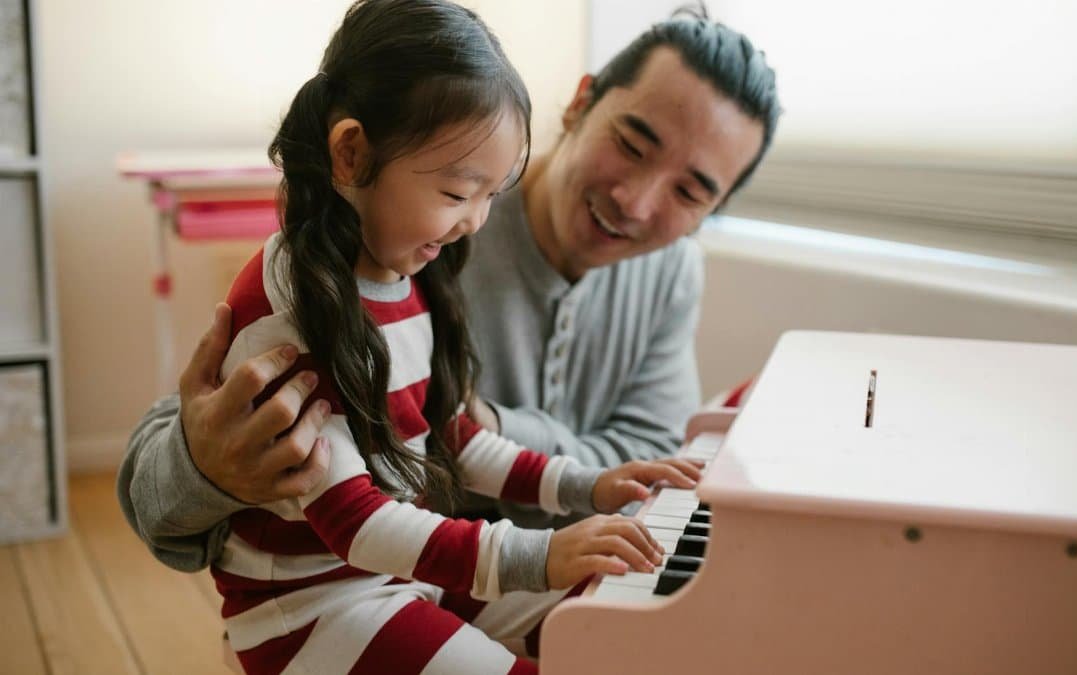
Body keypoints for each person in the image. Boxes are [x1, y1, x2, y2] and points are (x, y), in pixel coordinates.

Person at [119, 6, 779, 569]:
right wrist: (204, 465)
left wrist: (474, 426)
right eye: (632, 145)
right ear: (580, 103)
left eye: (691, 190)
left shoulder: (670, 274)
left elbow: (647, 459)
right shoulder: (415, 219)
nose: (636, 201)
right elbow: (156, 485)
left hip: (551, 583)